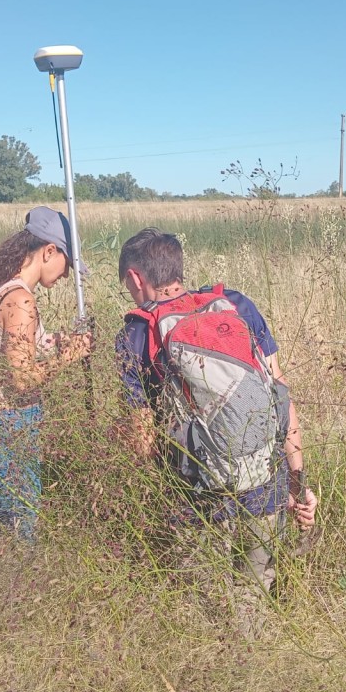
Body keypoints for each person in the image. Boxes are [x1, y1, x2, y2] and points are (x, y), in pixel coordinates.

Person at [114, 227, 318, 636]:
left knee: (203, 610)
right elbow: (281, 396)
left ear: (136, 279)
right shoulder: (237, 306)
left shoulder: (138, 333)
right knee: (254, 596)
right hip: (266, 484)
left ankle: (216, 683)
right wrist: (299, 482)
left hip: (197, 497)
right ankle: (259, 675)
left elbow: (142, 443)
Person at [0, 207, 92, 543]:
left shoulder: (2, 290)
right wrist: (68, 357)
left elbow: (1, 355)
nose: (67, 275)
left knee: (10, 520)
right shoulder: (21, 300)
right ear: (49, 251)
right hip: (9, 423)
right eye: (68, 264)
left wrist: (50, 345)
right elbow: (20, 379)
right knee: (22, 522)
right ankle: (15, 588)